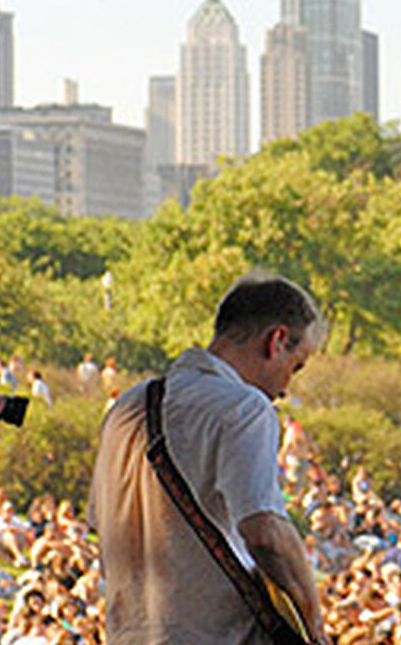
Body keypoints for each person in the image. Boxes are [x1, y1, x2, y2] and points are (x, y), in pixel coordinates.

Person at [88, 273, 330, 645]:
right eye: (295, 367)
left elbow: (100, 527)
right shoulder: (244, 407)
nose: (284, 388)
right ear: (277, 340)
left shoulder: (126, 406)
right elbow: (265, 534)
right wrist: (314, 624)